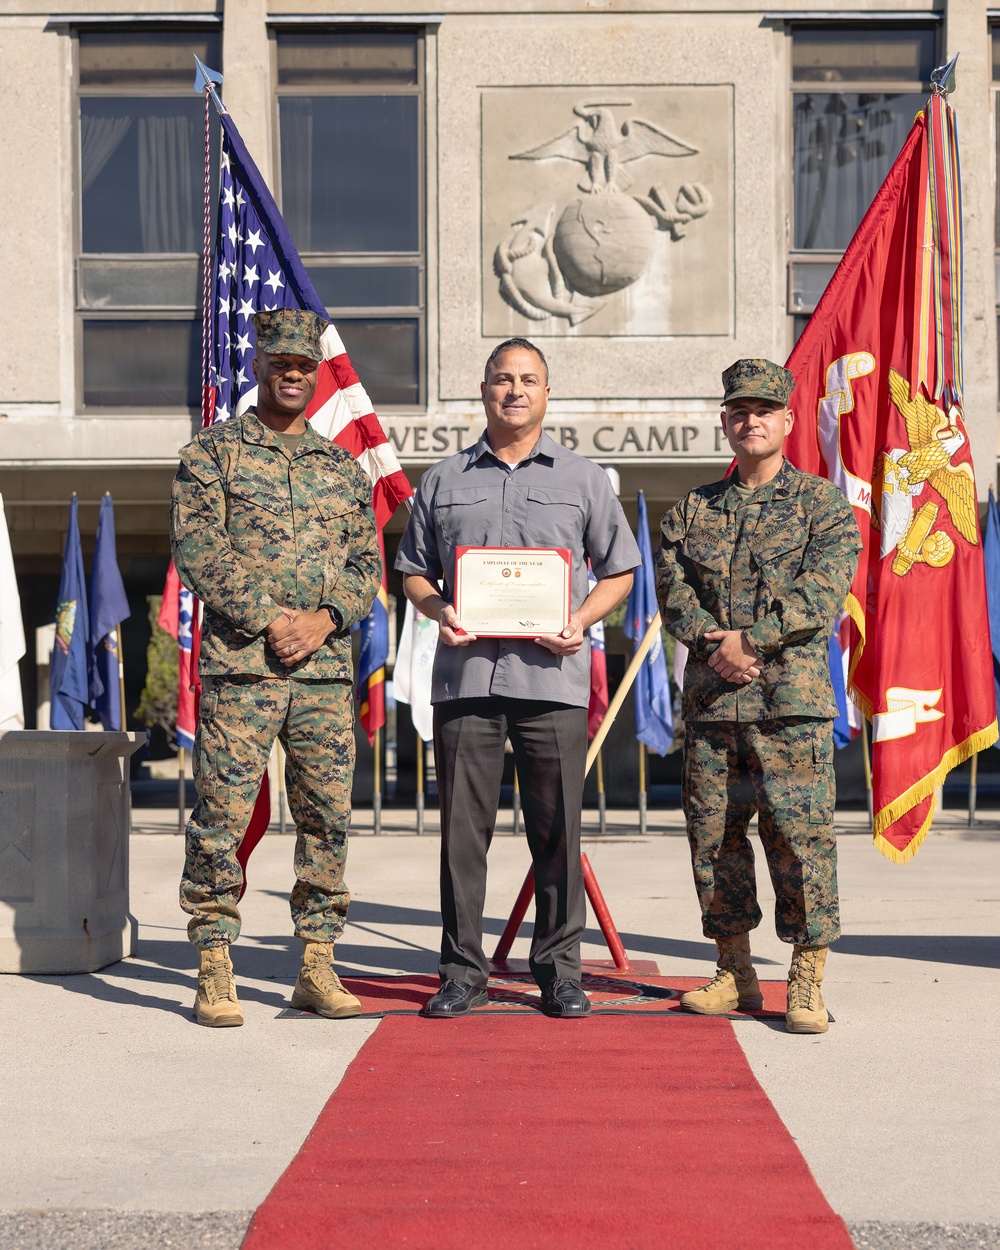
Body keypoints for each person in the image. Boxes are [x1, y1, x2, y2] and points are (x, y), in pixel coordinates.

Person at [396, 337, 640, 1019]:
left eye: (528, 379)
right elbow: (412, 569)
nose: (514, 390)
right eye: (502, 379)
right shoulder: (443, 480)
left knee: (558, 833)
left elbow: (619, 569)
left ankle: (560, 971)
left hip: (551, 680)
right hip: (466, 681)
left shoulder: (584, 480)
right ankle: (461, 972)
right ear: (483, 391)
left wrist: (581, 619)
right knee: (460, 838)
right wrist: (439, 609)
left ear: (546, 392)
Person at [171, 308, 381, 1028]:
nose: (292, 373)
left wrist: (322, 620)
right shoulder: (212, 455)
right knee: (221, 818)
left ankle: (317, 963)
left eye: (303, 365)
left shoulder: (341, 470)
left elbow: (365, 567)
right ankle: (214, 964)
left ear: (316, 374)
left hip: (322, 675)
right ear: (258, 367)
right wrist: (272, 620)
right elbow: (199, 549)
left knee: (326, 817)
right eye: (279, 363)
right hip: (245, 670)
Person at [655, 358, 860, 1034]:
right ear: (724, 422)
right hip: (715, 707)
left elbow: (821, 593)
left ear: (787, 421)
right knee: (715, 841)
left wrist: (753, 642)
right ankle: (733, 971)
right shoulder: (691, 509)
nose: (751, 420)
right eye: (740, 411)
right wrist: (717, 647)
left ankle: (806, 978)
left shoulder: (822, 505)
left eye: (764, 410)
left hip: (789, 707)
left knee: (800, 840)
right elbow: (674, 592)